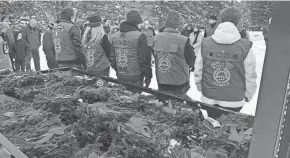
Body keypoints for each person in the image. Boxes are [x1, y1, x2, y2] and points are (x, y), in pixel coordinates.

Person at [194, 7, 257, 119]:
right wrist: (248, 94)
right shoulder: (245, 46)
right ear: (237, 22)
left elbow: (198, 69)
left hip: (210, 96)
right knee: (229, 129)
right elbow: (250, 74)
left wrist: (201, 88)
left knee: (212, 124)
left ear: (221, 20)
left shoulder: (206, 43)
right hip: (234, 99)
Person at [152, 11, 195, 97]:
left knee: (164, 104)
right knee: (178, 105)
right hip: (179, 81)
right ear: (177, 25)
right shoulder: (183, 40)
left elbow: (154, 55)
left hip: (162, 79)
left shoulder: (155, 38)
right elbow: (191, 60)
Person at [110, 10, 152, 94]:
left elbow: (112, 57)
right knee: (134, 102)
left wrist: (118, 70)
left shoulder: (115, 36)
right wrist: (148, 75)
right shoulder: (140, 36)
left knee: (121, 100)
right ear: (137, 23)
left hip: (121, 74)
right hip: (135, 77)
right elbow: (144, 59)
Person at [81, 14, 111, 84]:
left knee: (90, 89)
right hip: (102, 69)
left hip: (90, 68)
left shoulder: (85, 37)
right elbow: (109, 52)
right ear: (99, 26)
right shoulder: (103, 37)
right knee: (101, 90)